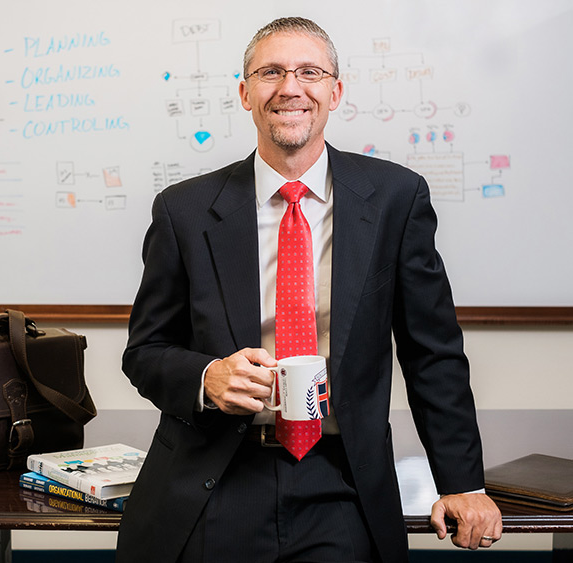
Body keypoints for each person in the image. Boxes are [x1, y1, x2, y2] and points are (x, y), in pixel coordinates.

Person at [117, 16, 502, 563]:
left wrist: (463, 481)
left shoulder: (395, 197)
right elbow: (144, 352)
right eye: (270, 72)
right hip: (218, 478)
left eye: (309, 72)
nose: (290, 87)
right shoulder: (183, 211)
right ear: (245, 94)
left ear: (335, 91)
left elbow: (432, 353)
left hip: (342, 480)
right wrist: (206, 376)